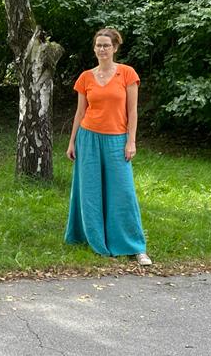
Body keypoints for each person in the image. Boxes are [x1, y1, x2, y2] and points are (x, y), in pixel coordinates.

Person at [65, 27, 152, 266]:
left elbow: (132, 111)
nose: (102, 49)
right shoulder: (85, 77)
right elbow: (80, 112)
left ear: (115, 48)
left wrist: (131, 141)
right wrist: (72, 141)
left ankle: (136, 247)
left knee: (123, 192)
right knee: (89, 192)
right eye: (98, 45)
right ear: (94, 48)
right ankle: (94, 239)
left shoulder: (127, 74)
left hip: (116, 139)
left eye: (106, 45)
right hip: (88, 137)